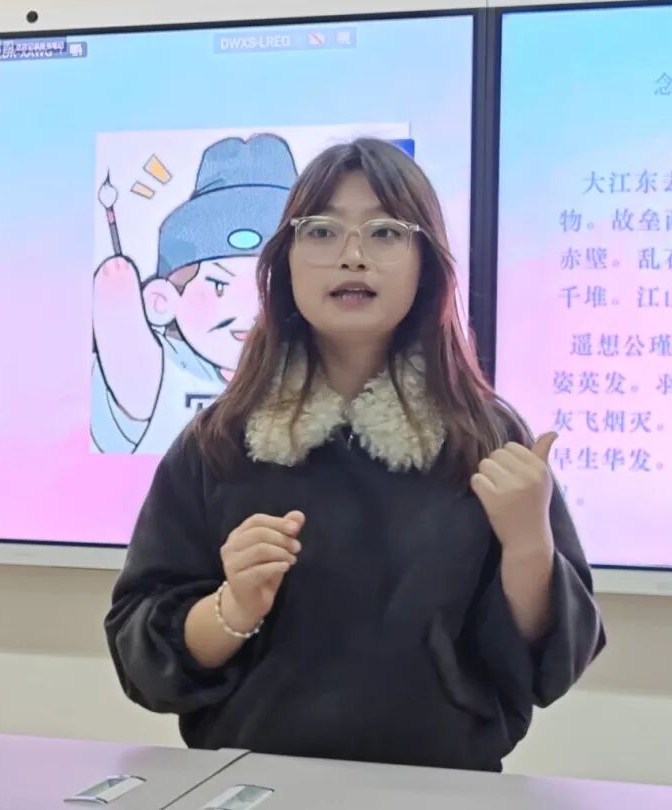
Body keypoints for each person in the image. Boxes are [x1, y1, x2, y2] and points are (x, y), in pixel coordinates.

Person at [105, 138, 605, 772]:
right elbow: (140, 655)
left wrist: (530, 545)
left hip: (444, 790)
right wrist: (231, 610)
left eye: (385, 232)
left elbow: (550, 667)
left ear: (427, 262)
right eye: (321, 231)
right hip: (253, 786)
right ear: (284, 261)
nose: (353, 255)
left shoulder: (485, 437)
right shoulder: (221, 440)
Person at [92, 134, 298, 455]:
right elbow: (136, 384)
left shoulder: (313, 373)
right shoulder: (173, 371)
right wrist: (120, 319)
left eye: (271, 287)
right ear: (162, 301)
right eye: (218, 286)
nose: (247, 310)